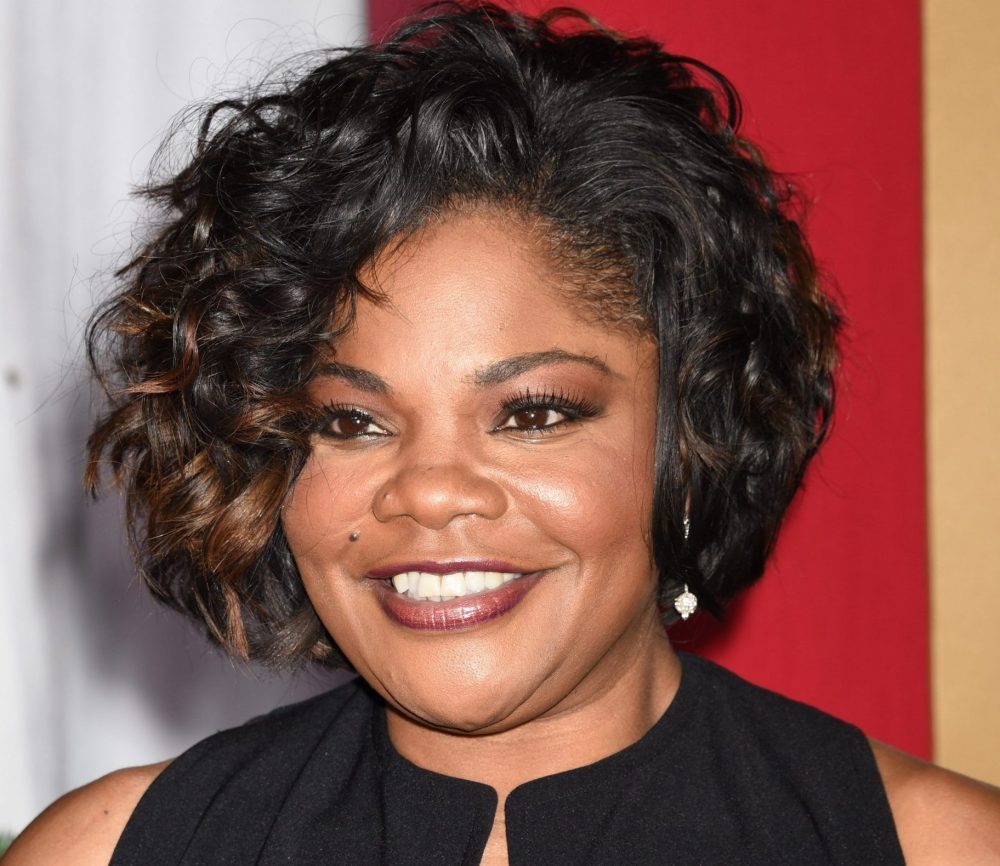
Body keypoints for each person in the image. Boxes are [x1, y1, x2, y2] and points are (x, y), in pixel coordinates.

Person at [6, 3, 1000, 864]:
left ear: (693, 440)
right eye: (350, 421)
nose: (431, 490)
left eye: (532, 413)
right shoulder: (114, 849)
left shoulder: (937, 846)